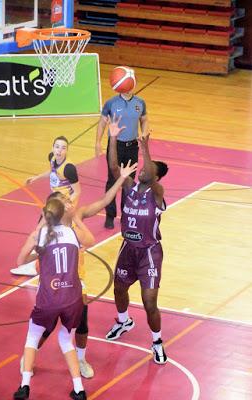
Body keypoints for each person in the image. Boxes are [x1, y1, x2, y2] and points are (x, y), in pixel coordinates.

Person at [13, 161, 138, 400]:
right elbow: (35, 252)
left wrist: (121, 179)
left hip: (75, 281)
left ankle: (79, 359)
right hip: (55, 282)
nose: (71, 199)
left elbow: (103, 202)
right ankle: (34, 359)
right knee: (51, 329)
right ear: (59, 206)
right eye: (66, 198)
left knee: (80, 323)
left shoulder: (73, 216)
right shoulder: (51, 225)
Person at [105, 116, 168, 365]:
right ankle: (123, 321)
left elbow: (151, 175)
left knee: (149, 300)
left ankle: (157, 342)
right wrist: (112, 137)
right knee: (119, 288)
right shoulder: (130, 187)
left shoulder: (157, 194)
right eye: (141, 168)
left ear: (156, 177)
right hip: (128, 248)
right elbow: (113, 169)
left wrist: (145, 148)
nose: (141, 170)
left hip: (150, 252)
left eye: (146, 170)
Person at [10, 135, 81, 277]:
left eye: (63, 148)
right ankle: (37, 263)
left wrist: (66, 206)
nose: (59, 150)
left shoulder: (69, 169)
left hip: (63, 207)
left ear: (67, 150)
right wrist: (36, 177)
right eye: (57, 147)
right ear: (52, 147)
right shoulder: (52, 158)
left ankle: (36, 266)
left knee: (41, 231)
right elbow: (52, 172)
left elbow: (78, 191)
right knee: (43, 232)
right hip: (53, 204)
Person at [95, 68, 149, 229]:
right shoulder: (111, 103)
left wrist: (144, 133)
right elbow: (102, 122)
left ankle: (126, 214)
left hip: (132, 147)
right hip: (115, 147)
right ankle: (110, 216)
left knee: (129, 182)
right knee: (113, 181)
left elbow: (145, 119)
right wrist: (97, 142)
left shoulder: (140, 103)